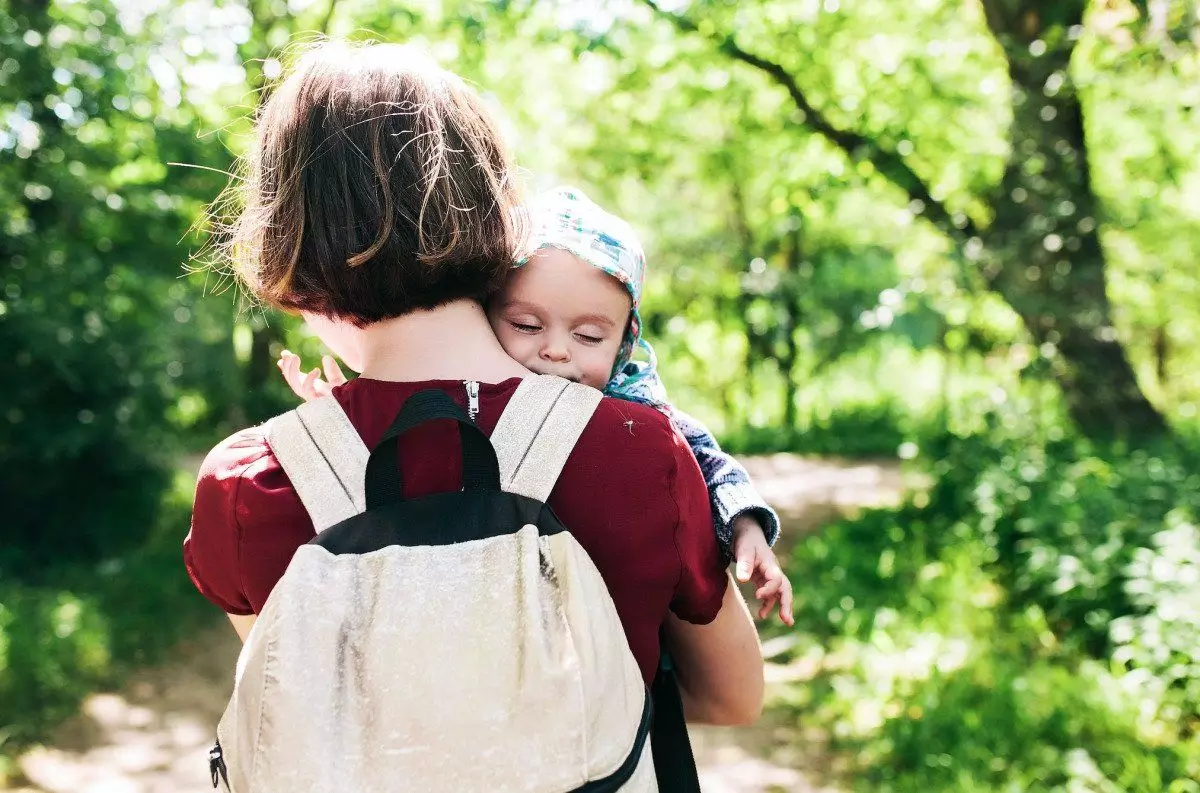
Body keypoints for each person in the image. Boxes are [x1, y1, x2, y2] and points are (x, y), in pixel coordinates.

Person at [184, 40, 764, 726]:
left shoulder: (250, 487)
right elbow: (731, 698)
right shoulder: (639, 451)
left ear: (290, 242)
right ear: (492, 209)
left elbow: (311, 715)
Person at [281, 186, 795, 623]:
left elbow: (709, 461)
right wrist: (341, 414)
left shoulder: (641, 414)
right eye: (526, 325)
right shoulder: (470, 394)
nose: (555, 350)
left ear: (625, 343)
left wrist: (746, 525)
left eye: (590, 336)